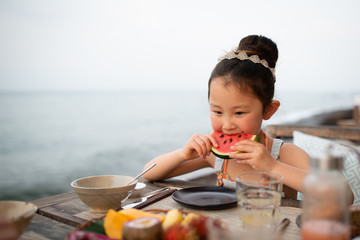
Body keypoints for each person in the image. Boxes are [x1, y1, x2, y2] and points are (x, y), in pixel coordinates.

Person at [142, 35, 309, 199]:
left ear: (268, 110)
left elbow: (330, 191)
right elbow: (148, 173)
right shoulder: (216, 156)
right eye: (217, 112)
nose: (227, 125)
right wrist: (182, 154)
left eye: (239, 113)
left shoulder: (284, 154)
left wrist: (272, 166)